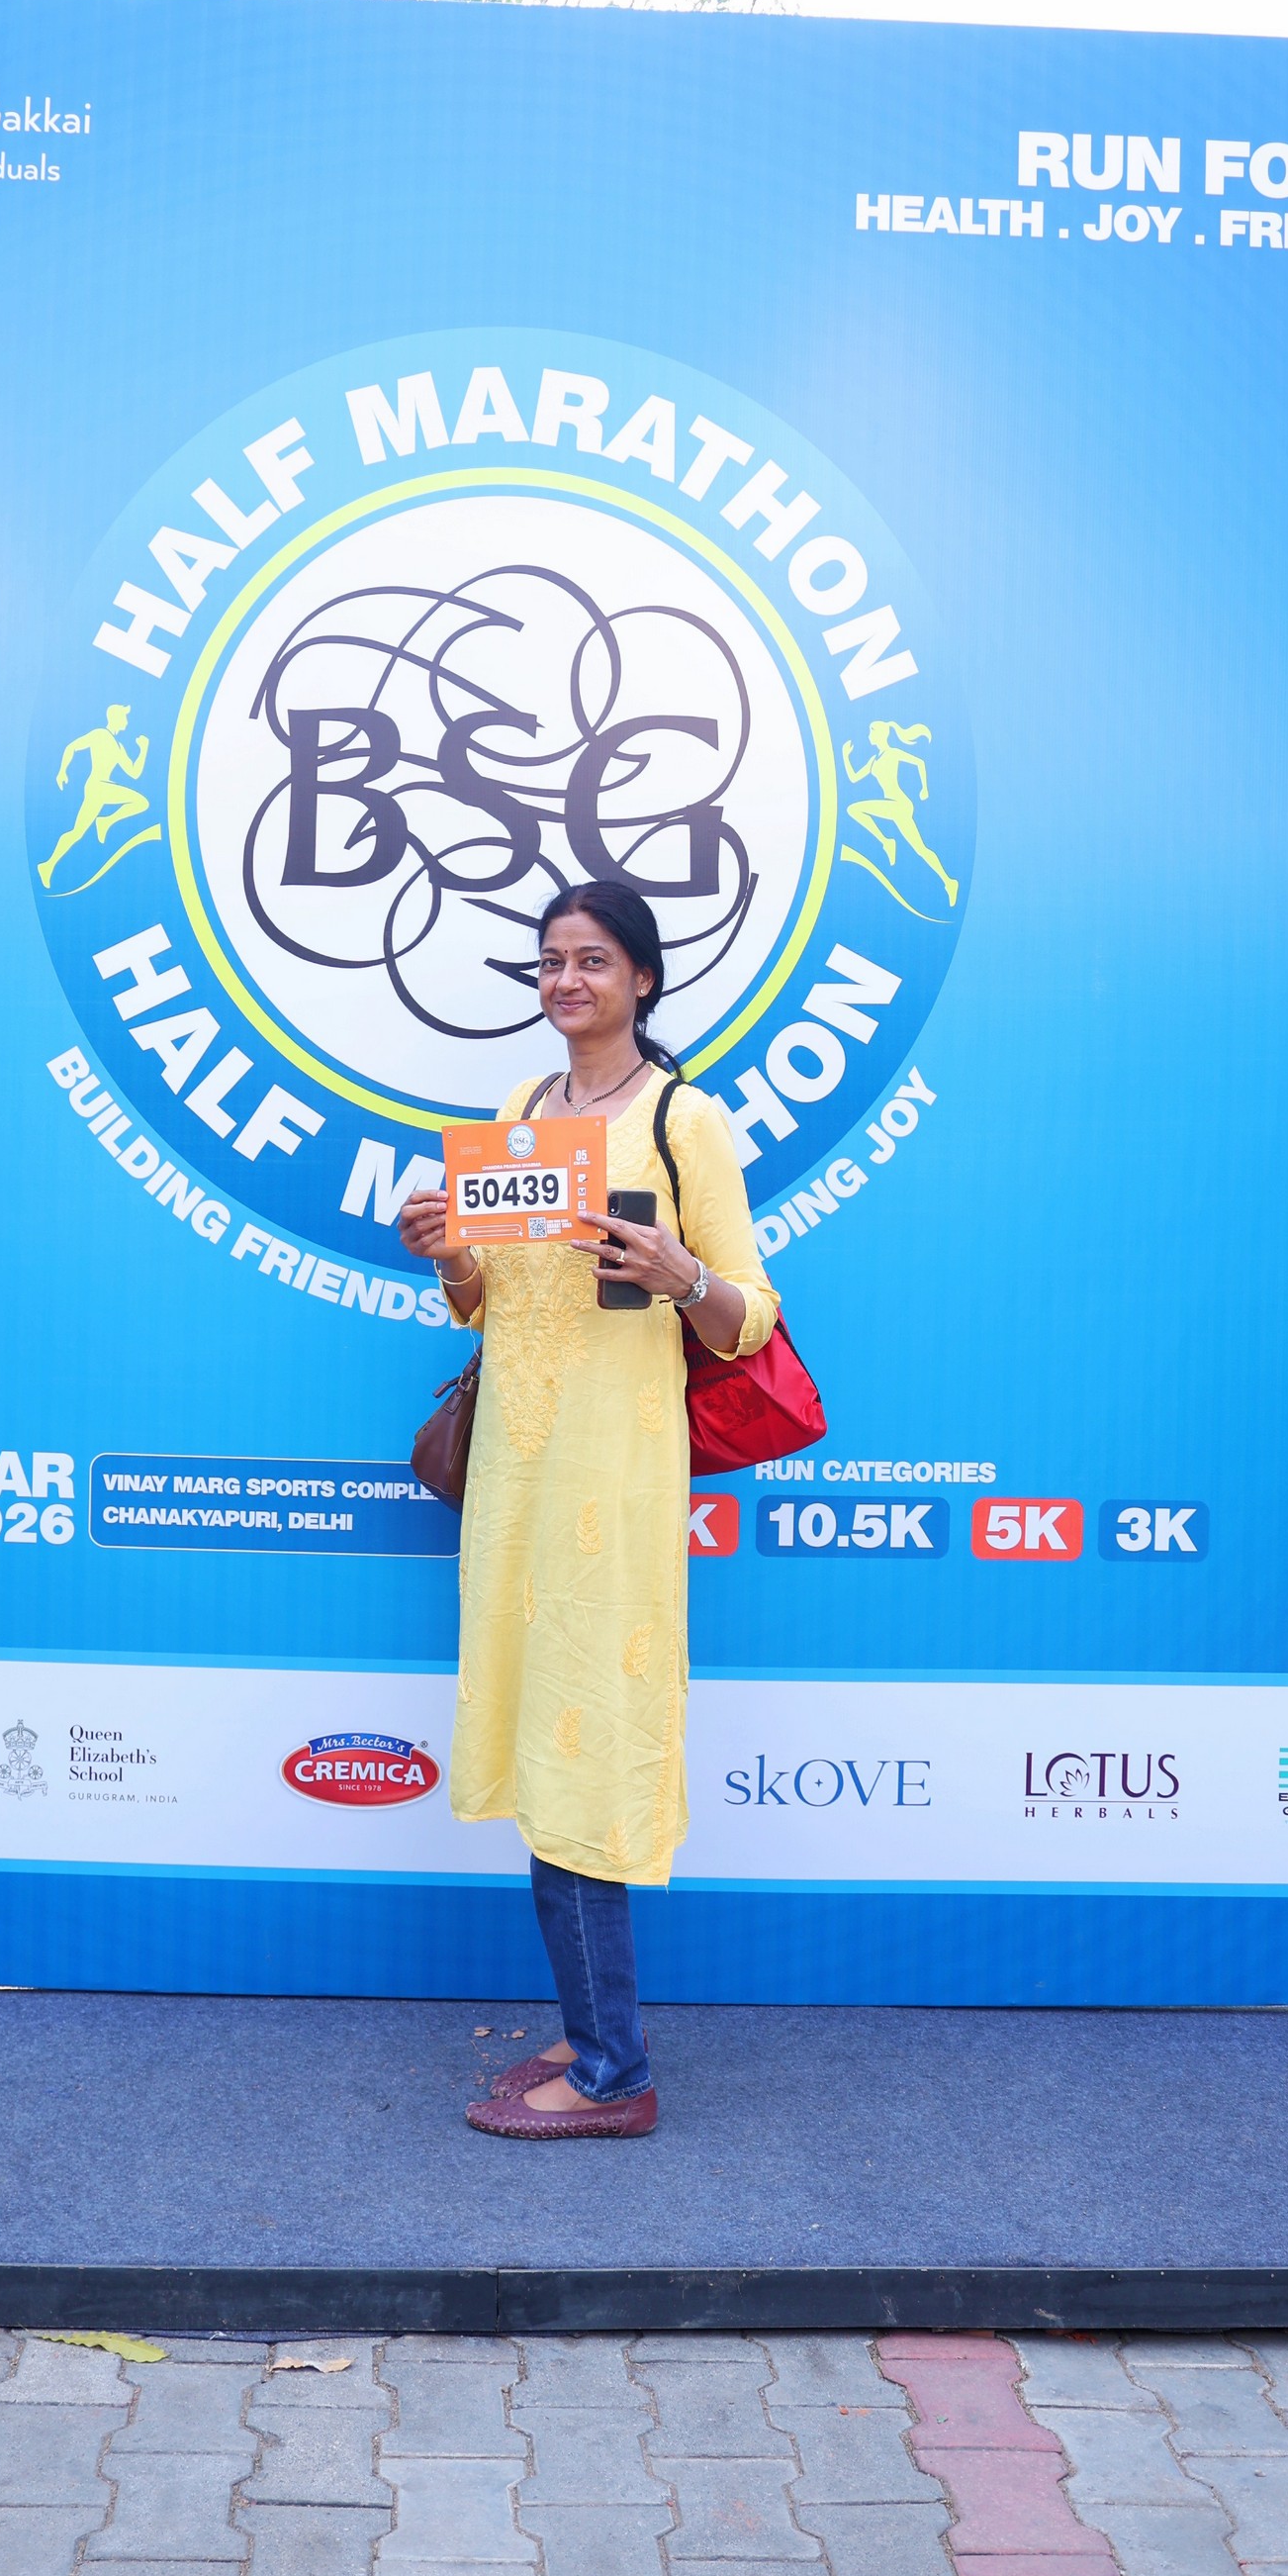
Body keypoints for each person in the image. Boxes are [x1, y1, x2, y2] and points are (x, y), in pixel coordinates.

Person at [399, 879, 782, 2139]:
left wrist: (680, 1273)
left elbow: (749, 1317)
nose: (567, 981)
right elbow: (487, 1303)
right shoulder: (519, 1114)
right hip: (517, 1476)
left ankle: (616, 2073)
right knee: (540, 1734)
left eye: (594, 960)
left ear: (643, 978)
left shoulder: (684, 1121)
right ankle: (584, 2027)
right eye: (552, 961)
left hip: (614, 1484)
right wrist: (448, 1251)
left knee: (590, 1747)